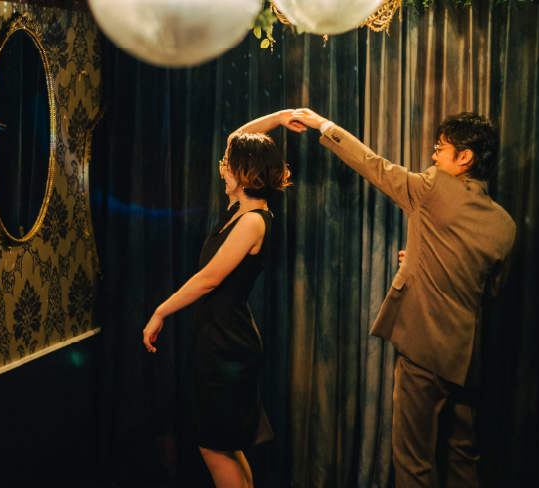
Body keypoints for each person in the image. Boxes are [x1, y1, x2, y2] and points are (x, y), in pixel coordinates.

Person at [289, 109, 516, 487]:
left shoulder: (435, 187)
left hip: (424, 345)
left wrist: (323, 125)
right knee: (462, 455)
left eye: (440, 149)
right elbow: (488, 290)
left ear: (465, 157)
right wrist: (423, 259)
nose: (434, 157)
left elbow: (374, 166)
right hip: (466, 357)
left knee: (413, 460)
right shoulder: (505, 224)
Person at [143, 110, 304, 488]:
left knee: (215, 446)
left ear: (245, 173)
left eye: (228, 165)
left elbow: (208, 280)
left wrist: (159, 312)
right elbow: (236, 138)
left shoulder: (252, 221)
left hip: (227, 344)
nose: (221, 167)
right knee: (226, 445)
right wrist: (280, 118)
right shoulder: (241, 211)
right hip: (221, 338)